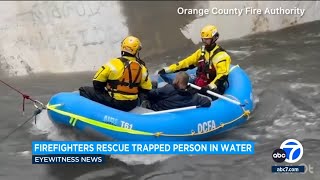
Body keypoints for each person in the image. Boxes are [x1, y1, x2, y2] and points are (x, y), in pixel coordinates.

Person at [79, 36, 152, 112]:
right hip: (132, 104)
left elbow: (97, 82)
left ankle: (96, 112)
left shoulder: (113, 63)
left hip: (115, 102)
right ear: (136, 51)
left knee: (84, 90)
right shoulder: (142, 67)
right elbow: (147, 89)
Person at [158, 25, 231, 100]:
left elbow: (222, 76)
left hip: (213, 89)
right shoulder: (202, 52)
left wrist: (209, 87)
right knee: (180, 92)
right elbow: (187, 62)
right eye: (203, 39)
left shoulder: (221, 56)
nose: (204, 41)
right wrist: (169, 69)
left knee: (186, 97)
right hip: (200, 83)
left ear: (214, 38)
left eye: (207, 39)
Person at [141, 71, 211, 111]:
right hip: (175, 109)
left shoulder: (168, 89)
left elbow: (151, 94)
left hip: (158, 110)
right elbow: (207, 102)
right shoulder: (194, 96)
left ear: (177, 81)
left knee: (153, 86)